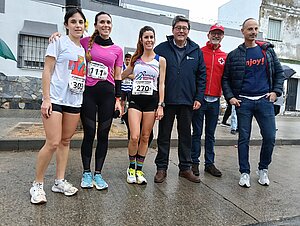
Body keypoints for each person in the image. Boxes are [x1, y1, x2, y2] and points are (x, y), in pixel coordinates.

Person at [29, 8, 87, 204]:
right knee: (52, 142)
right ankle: (37, 185)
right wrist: (46, 98)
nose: (77, 25)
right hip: (55, 99)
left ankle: (59, 181)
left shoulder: (83, 48)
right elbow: (47, 70)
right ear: (66, 24)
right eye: (73, 22)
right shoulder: (58, 42)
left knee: (65, 141)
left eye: (81, 22)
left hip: (74, 100)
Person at [222, 18, 285, 188]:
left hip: (265, 101)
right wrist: (231, 98)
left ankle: (263, 169)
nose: (253, 31)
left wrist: (275, 92)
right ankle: (244, 172)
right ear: (243, 31)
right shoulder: (234, 55)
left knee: (270, 137)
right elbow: (225, 79)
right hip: (244, 102)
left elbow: (279, 73)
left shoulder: (267, 52)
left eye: (256, 28)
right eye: (250, 28)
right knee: (244, 138)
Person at [154, 15, 206, 183]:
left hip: (187, 101)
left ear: (188, 31)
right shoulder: (161, 49)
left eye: (184, 28)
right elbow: (153, 74)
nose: (181, 31)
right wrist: (157, 101)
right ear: (173, 30)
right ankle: (161, 168)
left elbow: (201, 75)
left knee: (186, 136)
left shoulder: (195, 50)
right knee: (163, 136)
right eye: (178, 28)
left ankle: (185, 168)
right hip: (167, 102)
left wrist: (198, 97)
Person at [79, 11, 123, 190]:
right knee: (89, 133)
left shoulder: (117, 50)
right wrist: (56, 35)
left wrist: (118, 99)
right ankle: (86, 173)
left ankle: (98, 173)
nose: (106, 25)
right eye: (102, 22)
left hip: (108, 95)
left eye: (108, 22)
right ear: (96, 25)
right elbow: (69, 41)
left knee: (103, 134)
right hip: (88, 93)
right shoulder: (85, 42)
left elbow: (119, 75)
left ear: (111, 25)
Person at [122, 26, 166, 184]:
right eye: (146, 37)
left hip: (151, 101)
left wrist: (161, 105)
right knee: (134, 136)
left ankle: (139, 170)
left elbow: (161, 84)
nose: (149, 40)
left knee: (145, 136)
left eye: (151, 37)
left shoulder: (160, 60)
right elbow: (122, 75)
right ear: (141, 39)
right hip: (135, 100)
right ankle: (131, 168)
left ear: (154, 39)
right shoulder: (136, 59)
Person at [191, 24, 226, 177]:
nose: (216, 36)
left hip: (215, 101)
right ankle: (194, 163)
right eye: (214, 33)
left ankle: (209, 164)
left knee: (210, 134)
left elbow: (227, 78)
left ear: (222, 36)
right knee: (197, 133)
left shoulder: (224, 56)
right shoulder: (199, 52)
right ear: (208, 35)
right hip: (200, 100)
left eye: (219, 34)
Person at [120, 53, 132, 124]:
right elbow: (120, 76)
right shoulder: (122, 66)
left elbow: (134, 77)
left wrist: (126, 75)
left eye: (129, 60)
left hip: (130, 88)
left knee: (130, 104)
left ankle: (129, 116)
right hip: (123, 88)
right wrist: (128, 75)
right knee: (122, 103)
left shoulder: (132, 67)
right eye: (126, 60)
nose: (127, 61)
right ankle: (122, 117)